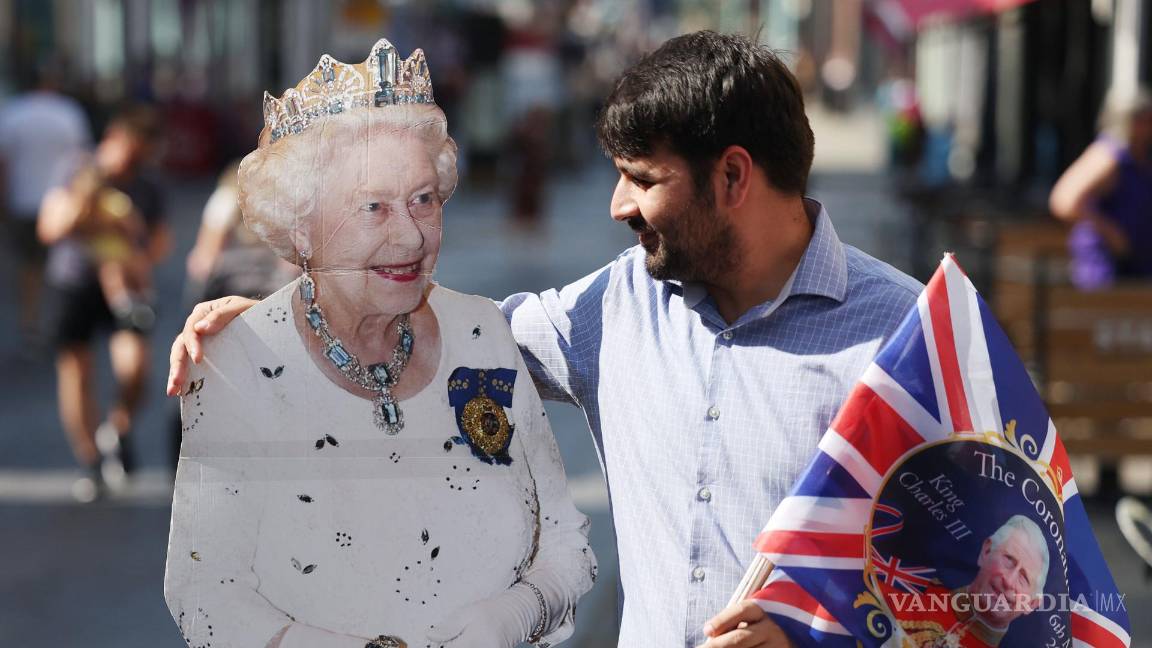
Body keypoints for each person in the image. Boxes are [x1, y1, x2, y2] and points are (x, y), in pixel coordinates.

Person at [168, 31, 923, 648]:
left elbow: (987, 579)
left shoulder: (907, 338)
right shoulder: (617, 306)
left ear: (732, 177)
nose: (617, 204)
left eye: (642, 178)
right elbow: (453, 343)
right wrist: (305, 317)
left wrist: (824, 628)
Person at [162, 40, 593, 648]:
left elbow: (568, 544)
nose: (411, 233)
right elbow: (203, 594)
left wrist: (516, 616)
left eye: (424, 199)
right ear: (302, 229)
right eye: (373, 208)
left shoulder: (483, 334)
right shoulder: (236, 362)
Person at [39, 106, 168, 501]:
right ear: (113, 140)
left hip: (126, 286)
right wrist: (88, 193)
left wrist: (133, 246)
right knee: (76, 371)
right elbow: (52, 227)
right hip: (75, 282)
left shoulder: (147, 186)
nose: (131, 159)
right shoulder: (77, 172)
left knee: (135, 370)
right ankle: (91, 460)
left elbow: (160, 245)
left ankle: (118, 428)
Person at [0, 64, 91, 348]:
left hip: (23, 201)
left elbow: (4, 164)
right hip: (64, 204)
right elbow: (84, 162)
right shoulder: (68, 112)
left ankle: (32, 322)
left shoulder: (13, 113)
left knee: (29, 267)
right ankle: (55, 320)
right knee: (64, 267)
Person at [882, 515, 1049, 647]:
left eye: (1023, 577)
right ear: (986, 551)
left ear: (1032, 604)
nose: (1008, 581)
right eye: (1008, 559)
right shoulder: (906, 589)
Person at [1050, 88, 1152, 291]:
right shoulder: (1109, 156)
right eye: (1146, 120)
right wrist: (1110, 231)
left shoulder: (1141, 156)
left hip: (1137, 266)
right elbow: (1064, 200)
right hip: (1106, 268)